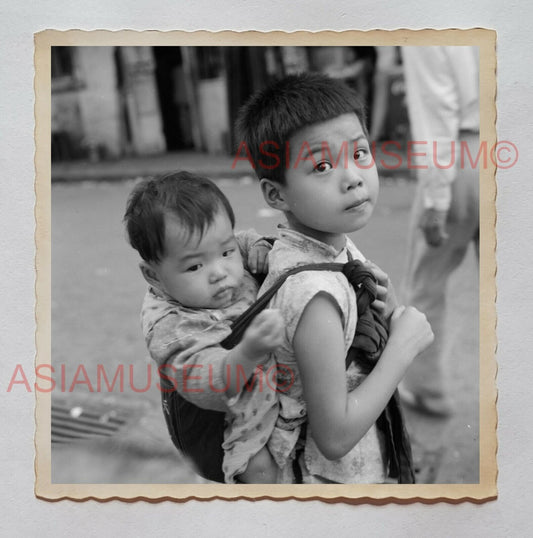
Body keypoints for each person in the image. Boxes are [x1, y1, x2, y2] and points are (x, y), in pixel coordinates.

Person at [236, 73, 434, 483]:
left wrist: (388, 310)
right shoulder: (314, 296)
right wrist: (402, 347)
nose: (353, 176)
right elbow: (335, 435)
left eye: (360, 153)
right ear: (276, 195)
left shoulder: (329, 245)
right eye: (323, 165)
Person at [123, 171, 283, 483]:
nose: (220, 272)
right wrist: (247, 354)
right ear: (153, 275)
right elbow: (203, 380)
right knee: (262, 470)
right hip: (230, 426)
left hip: (271, 391)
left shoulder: (230, 252)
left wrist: (264, 250)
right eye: (195, 266)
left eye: (226, 253)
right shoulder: (170, 325)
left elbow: (244, 241)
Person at [400, 46, 480, 416]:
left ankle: (427, 389)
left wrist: (435, 200)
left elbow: (436, 111)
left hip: (465, 154)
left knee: (425, 283)